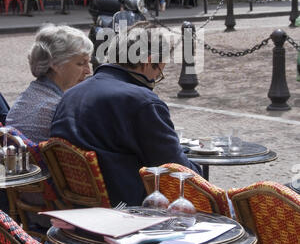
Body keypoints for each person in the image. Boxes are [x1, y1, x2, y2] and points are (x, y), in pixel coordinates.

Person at [51, 23, 202, 206]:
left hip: (75, 208)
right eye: (158, 71)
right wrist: (202, 173)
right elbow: (179, 171)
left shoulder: (70, 94)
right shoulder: (141, 101)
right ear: (148, 61)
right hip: (127, 209)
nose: (155, 79)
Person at [6, 24, 93, 144]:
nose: (88, 70)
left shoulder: (29, 95)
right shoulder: (57, 107)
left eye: (88, 63)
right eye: (81, 63)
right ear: (56, 64)